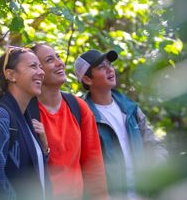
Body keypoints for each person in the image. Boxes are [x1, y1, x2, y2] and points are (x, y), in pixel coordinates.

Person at [74, 49, 168, 199]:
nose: (110, 69)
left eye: (109, 64)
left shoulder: (131, 109)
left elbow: (154, 144)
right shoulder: (81, 115)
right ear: (87, 79)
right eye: (101, 67)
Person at [30, 43, 108, 200]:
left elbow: (94, 166)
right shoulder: (25, 110)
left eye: (58, 56)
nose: (60, 63)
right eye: (50, 60)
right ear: (37, 70)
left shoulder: (78, 107)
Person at [0, 46, 50, 200]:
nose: (41, 72)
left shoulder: (26, 118)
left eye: (41, 67)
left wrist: (44, 148)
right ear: (11, 75)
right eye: (33, 66)